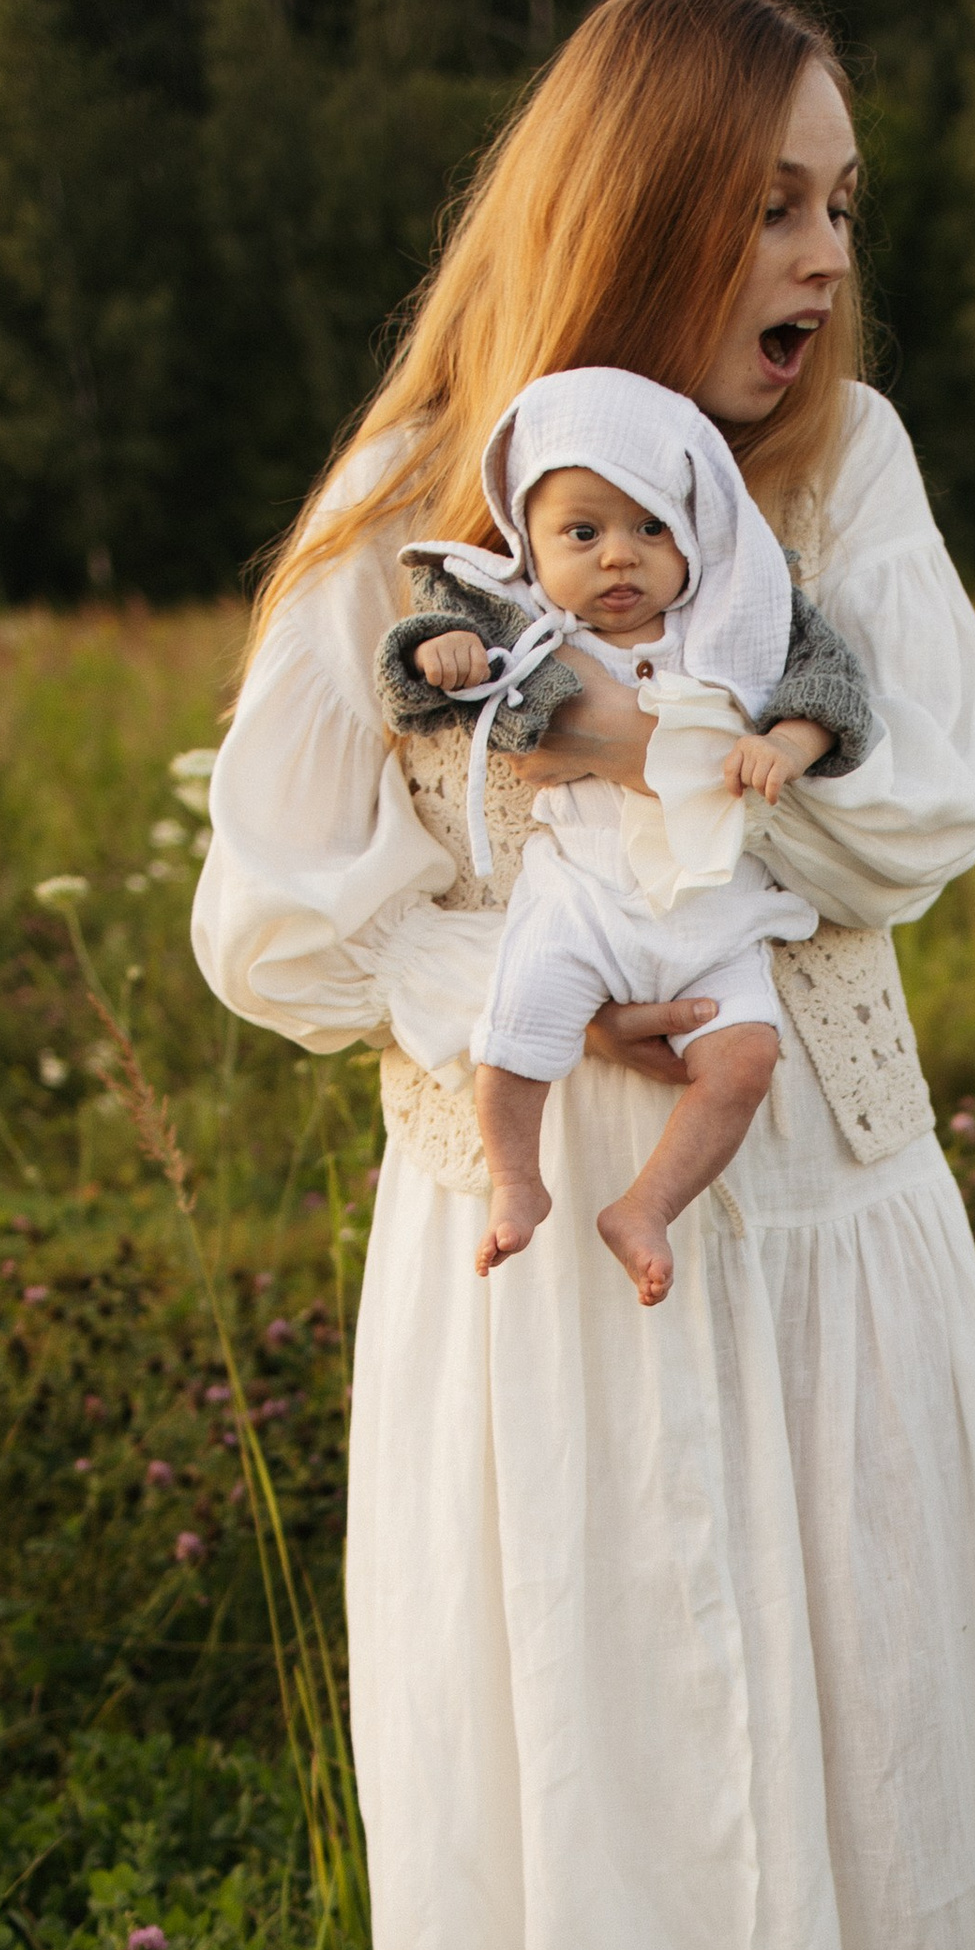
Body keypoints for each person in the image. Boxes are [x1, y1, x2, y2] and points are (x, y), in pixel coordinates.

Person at [194, 0, 975, 1950]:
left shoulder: (845, 474)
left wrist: (665, 751)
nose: (821, 261)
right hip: (529, 1243)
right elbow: (261, 919)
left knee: (873, 1668)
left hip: (819, 1194)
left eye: (840, 205)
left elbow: (925, 798)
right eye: (765, 210)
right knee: (597, 1695)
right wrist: (499, 972)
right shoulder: (403, 518)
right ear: (632, 217)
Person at [378, 365, 879, 1297]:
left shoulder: (737, 615)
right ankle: (518, 1184)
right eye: (583, 531)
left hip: (713, 911)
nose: (620, 557)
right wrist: (436, 652)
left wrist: (788, 742)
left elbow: (833, 685)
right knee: (512, 1033)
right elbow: (419, 678)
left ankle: (645, 1205)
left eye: (652, 527)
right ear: (527, 537)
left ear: (696, 530)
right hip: (582, 896)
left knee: (742, 1062)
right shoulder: (525, 624)